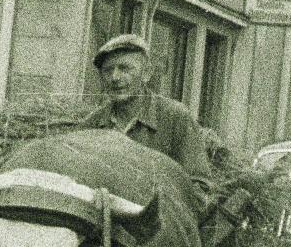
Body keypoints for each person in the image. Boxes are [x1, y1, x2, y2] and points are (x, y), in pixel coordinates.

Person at [79, 32, 215, 178]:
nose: (115, 77)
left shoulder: (175, 118)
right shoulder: (91, 125)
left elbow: (199, 185)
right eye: (107, 70)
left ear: (147, 73)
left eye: (125, 69)